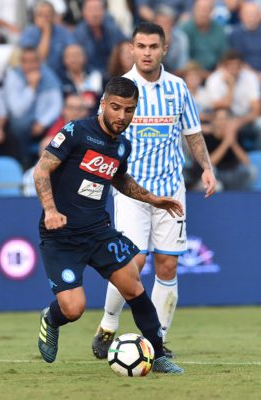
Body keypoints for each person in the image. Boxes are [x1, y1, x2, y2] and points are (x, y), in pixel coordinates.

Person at [34, 76, 185, 374]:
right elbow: (41, 170)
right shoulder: (77, 132)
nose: (122, 116)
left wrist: (152, 199)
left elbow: (118, 178)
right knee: (73, 309)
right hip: (61, 235)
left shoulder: (122, 146)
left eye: (129, 110)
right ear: (103, 104)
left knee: (133, 286)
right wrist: (50, 210)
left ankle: (157, 355)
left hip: (98, 231)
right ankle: (51, 318)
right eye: (116, 107)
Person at [92, 22, 216, 360]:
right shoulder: (120, 89)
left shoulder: (178, 88)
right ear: (132, 49)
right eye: (141, 46)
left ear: (164, 49)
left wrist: (206, 167)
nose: (147, 53)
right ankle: (108, 324)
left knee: (168, 266)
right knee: (131, 262)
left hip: (170, 191)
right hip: (130, 189)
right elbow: (100, 134)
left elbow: (192, 132)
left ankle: (156, 342)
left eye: (153, 47)